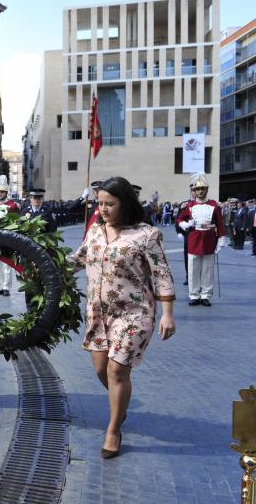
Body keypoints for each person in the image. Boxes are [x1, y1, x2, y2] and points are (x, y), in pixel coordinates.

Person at [68, 176, 176, 459]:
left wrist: (168, 314)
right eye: (100, 203)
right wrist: (38, 266)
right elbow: (76, 261)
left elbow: (161, 273)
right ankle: (121, 402)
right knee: (101, 370)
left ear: (125, 203)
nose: (103, 209)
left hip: (134, 313)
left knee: (117, 370)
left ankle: (114, 429)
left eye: (110, 204)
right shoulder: (94, 231)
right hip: (98, 313)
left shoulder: (146, 235)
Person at [176, 173, 227, 306]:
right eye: (197, 189)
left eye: (202, 188)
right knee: (193, 268)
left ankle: (205, 295)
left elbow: (220, 223)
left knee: (207, 269)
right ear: (194, 191)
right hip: (194, 238)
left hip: (209, 238)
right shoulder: (189, 205)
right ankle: (194, 295)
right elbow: (179, 219)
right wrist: (185, 225)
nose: (200, 191)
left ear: (207, 190)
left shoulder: (214, 205)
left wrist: (221, 240)